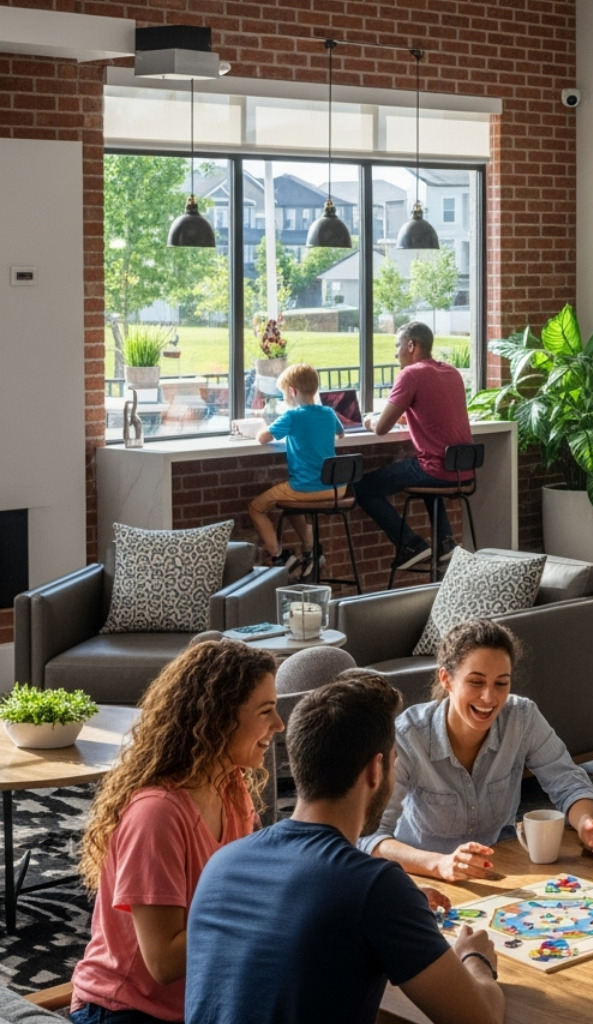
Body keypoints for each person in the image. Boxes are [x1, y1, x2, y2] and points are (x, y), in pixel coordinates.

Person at [185, 671, 503, 1024]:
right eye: (395, 762)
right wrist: (476, 960)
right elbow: (481, 1019)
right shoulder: (374, 886)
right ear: (375, 770)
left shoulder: (222, 863)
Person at [70, 641, 282, 1024]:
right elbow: (164, 961)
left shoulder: (231, 787)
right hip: (123, 1010)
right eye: (266, 711)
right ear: (220, 718)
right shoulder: (157, 814)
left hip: (196, 1002)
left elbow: (249, 885)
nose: (279, 725)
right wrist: (266, 910)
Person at [362, 618, 593, 879]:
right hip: (424, 881)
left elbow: (570, 783)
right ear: (446, 679)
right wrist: (440, 864)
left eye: (501, 683)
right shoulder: (408, 736)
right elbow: (369, 837)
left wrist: (586, 824)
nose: (489, 698)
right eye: (476, 682)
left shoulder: (522, 718)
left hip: (503, 872)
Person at [357, 320, 474, 571]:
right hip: (463, 470)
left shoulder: (410, 374)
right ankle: (445, 543)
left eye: (397, 345)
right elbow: (433, 412)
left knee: (362, 488)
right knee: (426, 480)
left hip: (436, 469)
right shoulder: (451, 372)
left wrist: (367, 419)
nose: (395, 352)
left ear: (411, 345)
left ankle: (410, 544)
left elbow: (380, 429)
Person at [249, 362, 344, 577]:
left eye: (284, 394)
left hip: (305, 486)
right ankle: (311, 550)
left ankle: (278, 554)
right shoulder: (328, 412)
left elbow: (262, 438)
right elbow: (341, 433)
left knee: (256, 507)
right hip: (335, 488)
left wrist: (265, 424)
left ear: (292, 391)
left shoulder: (292, 417)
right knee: (291, 506)